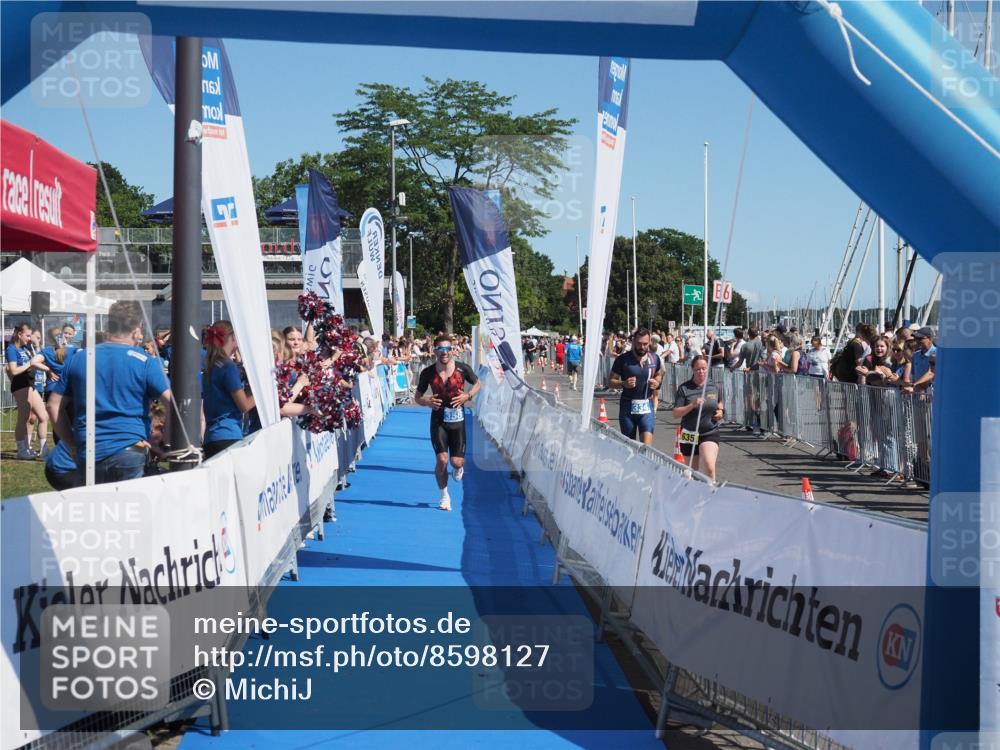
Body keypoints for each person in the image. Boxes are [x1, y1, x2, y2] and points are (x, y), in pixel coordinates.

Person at [49, 301, 172, 484]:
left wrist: (72, 444)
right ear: (137, 328)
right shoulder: (146, 361)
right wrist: (167, 441)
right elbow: (173, 403)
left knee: (95, 510)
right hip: (129, 450)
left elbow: (53, 405)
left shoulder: (80, 357)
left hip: (88, 450)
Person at [415, 335, 481, 511]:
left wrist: (468, 395)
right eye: (441, 349)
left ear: (452, 350)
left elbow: (478, 384)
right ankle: (444, 496)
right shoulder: (428, 373)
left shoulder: (462, 369)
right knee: (442, 460)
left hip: (457, 421)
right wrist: (427, 401)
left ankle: (459, 468)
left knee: (456, 462)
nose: (444, 353)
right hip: (438, 420)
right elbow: (418, 397)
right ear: (435, 351)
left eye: (448, 349)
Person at [202, 321, 256, 459]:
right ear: (232, 338)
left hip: (211, 437)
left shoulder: (212, 366)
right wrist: (262, 391)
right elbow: (244, 406)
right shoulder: (228, 367)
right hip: (228, 435)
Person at [672, 355, 724, 481]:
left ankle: (711, 495)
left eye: (704, 369)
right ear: (692, 370)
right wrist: (692, 405)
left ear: (708, 369)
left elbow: (720, 403)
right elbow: (675, 413)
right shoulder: (684, 388)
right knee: (692, 473)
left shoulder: (714, 386)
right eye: (698, 369)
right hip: (689, 433)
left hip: (709, 431)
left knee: (709, 467)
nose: (701, 372)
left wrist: (721, 412)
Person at [608, 328, 662, 445]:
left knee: (646, 448)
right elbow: (610, 381)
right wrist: (624, 383)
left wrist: (657, 382)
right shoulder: (623, 359)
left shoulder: (654, 358)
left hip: (647, 405)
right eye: (639, 344)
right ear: (633, 342)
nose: (642, 347)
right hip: (628, 406)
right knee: (630, 447)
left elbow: (659, 374)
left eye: (645, 344)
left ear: (649, 343)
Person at [6, 323, 51, 459]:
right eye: (27, 335)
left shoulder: (26, 347)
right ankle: (22, 450)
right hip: (20, 385)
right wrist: (29, 364)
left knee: (43, 416)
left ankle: (43, 449)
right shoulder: (12, 349)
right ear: (19, 334)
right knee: (24, 417)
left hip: (31, 385)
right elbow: (13, 370)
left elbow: (35, 361)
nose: (29, 338)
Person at [906, 326, 936, 393]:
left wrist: (915, 385)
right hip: (917, 395)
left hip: (932, 395)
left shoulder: (937, 354)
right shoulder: (915, 355)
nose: (917, 341)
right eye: (916, 338)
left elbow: (931, 373)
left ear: (930, 339)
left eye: (920, 338)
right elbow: (913, 376)